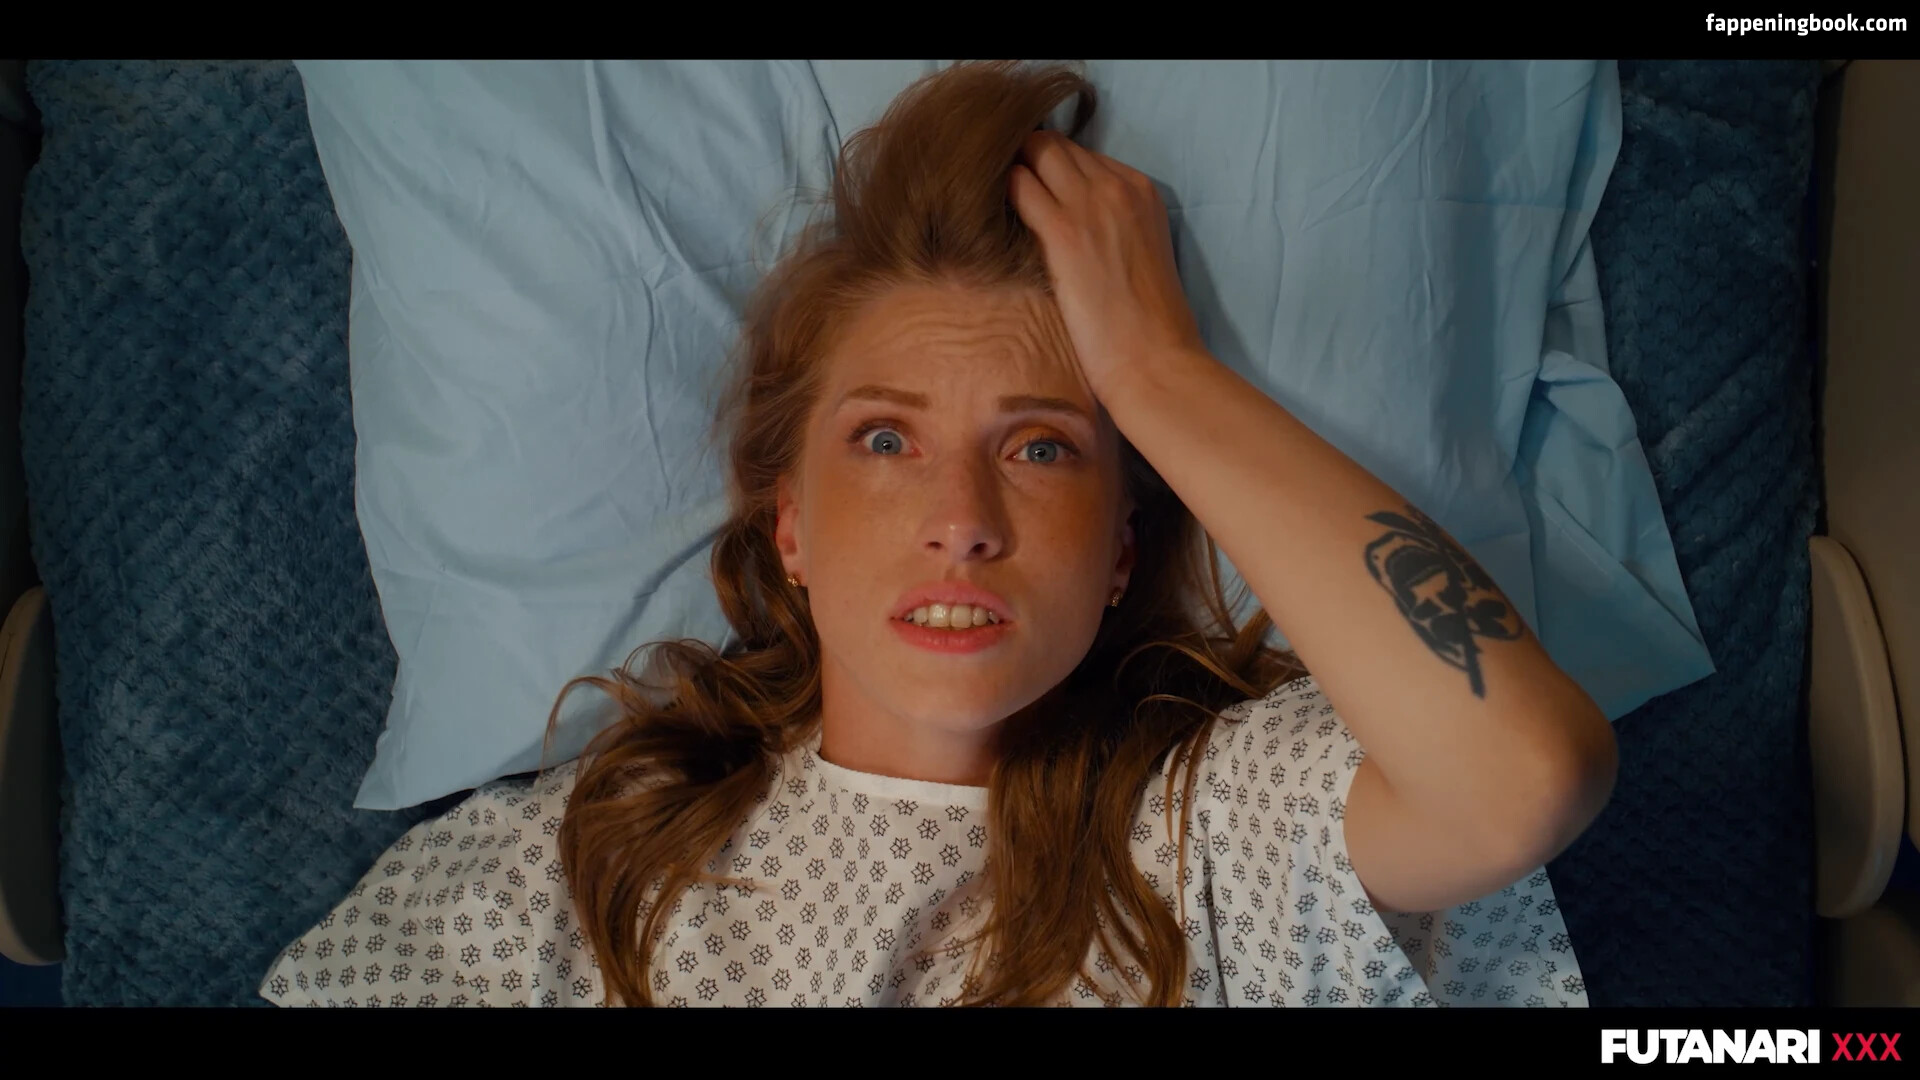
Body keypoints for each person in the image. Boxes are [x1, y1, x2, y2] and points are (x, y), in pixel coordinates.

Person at [262, 60, 1616, 1008]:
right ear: (790, 527)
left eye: (1040, 448)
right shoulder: (570, 875)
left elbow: (1521, 777)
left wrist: (1159, 376)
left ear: (1123, 554)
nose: (962, 524)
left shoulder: (1214, 826)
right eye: (884, 441)